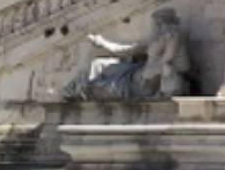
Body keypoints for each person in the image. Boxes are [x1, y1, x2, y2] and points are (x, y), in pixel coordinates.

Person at [61, 7, 192, 101]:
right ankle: (78, 86)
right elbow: (126, 50)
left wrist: (154, 70)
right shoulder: (153, 40)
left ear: (161, 23)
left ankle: (80, 88)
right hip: (140, 71)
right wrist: (103, 43)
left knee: (110, 82)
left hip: (145, 79)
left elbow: (170, 60)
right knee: (101, 64)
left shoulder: (172, 36)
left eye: (156, 24)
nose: (154, 27)